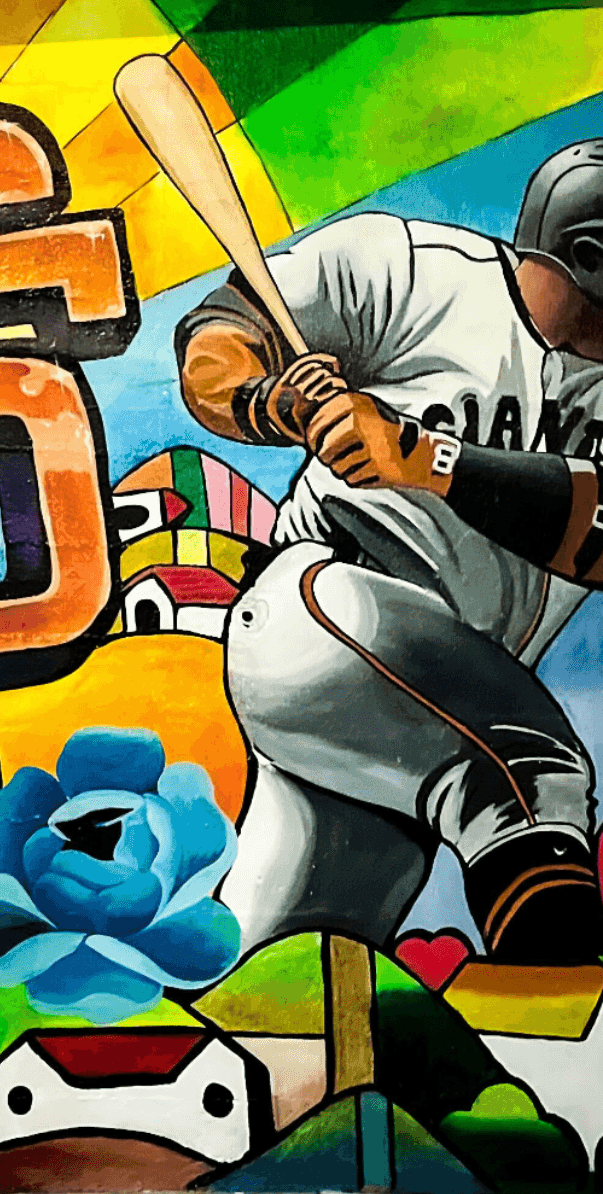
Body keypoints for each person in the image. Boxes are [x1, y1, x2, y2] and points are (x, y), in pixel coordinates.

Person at [176, 144, 603, 962]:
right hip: (321, 616)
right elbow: (219, 337)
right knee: (529, 780)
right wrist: (274, 405)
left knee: (302, 967)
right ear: (587, 259)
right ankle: (563, 971)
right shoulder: (409, 272)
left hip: (427, 714)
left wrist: (426, 458)